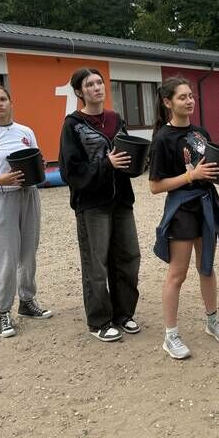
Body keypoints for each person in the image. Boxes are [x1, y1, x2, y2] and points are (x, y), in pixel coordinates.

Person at [149, 76, 219, 360]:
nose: (189, 101)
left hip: (205, 205)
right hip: (182, 209)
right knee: (178, 274)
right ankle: (170, 335)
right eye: (182, 97)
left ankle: (212, 321)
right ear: (167, 102)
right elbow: (155, 186)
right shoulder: (162, 138)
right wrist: (191, 176)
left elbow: (207, 168)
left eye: (191, 96)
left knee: (206, 267)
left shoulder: (200, 132)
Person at [58, 67, 142, 342]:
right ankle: (99, 321)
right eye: (89, 84)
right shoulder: (73, 125)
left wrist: (140, 161)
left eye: (99, 82)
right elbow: (70, 171)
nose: (96, 87)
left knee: (129, 257)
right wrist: (106, 164)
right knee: (96, 264)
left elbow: (127, 155)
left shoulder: (115, 119)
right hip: (92, 204)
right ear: (79, 92)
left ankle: (123, 314)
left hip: (122, 201)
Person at [0, 84, 52, 338]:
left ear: (10, 102)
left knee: (28, 252)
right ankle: (3, 311)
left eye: (3, 99)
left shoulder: (26, 132)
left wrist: (40, 165)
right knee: (5, 257)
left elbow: (37, 159)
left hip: (28, 195)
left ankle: (27, 301)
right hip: (1, 199)